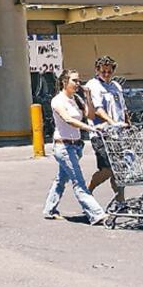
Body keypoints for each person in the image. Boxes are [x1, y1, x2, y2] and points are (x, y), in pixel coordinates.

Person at [43, 69, 106, 225]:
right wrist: (90, 128)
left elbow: (90, 115)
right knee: (79, 182)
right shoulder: (58, 101)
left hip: (76, 146)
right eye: (74, 81)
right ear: (65, 82)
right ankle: (96, 214)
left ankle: (49, 209)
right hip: (63, 146)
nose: (78, 84)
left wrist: (88, 96)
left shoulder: (76, 99)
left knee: (61, 179)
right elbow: (68, 119)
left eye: (79, 81)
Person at [85, 55, 127, 204]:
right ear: (97, 70)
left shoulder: (116, 86)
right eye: (103, 71)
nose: (106, 74)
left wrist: (128, 123)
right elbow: (97, 109)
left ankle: (121, 201)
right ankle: (87, 191)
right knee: (107, 169)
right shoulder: (93, 85)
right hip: (101, 133)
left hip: (118, 134)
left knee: (120, 169)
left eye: (109, 71)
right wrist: (112, 122)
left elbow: (122, 107)